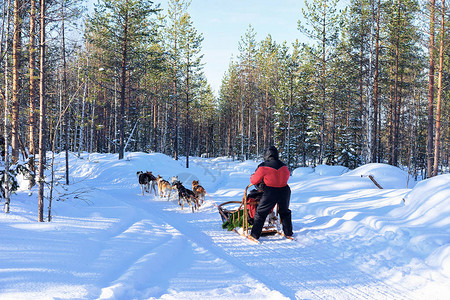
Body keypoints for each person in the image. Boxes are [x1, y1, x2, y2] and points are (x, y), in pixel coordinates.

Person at [249, 146, 293, 240]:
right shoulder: (284, 165)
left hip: (271, 192)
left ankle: (254, 235)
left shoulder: (263, 166)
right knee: (285, 212)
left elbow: (254, 180)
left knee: (260, 213)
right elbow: (287, 175)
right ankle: (288, 233)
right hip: (285, 190)